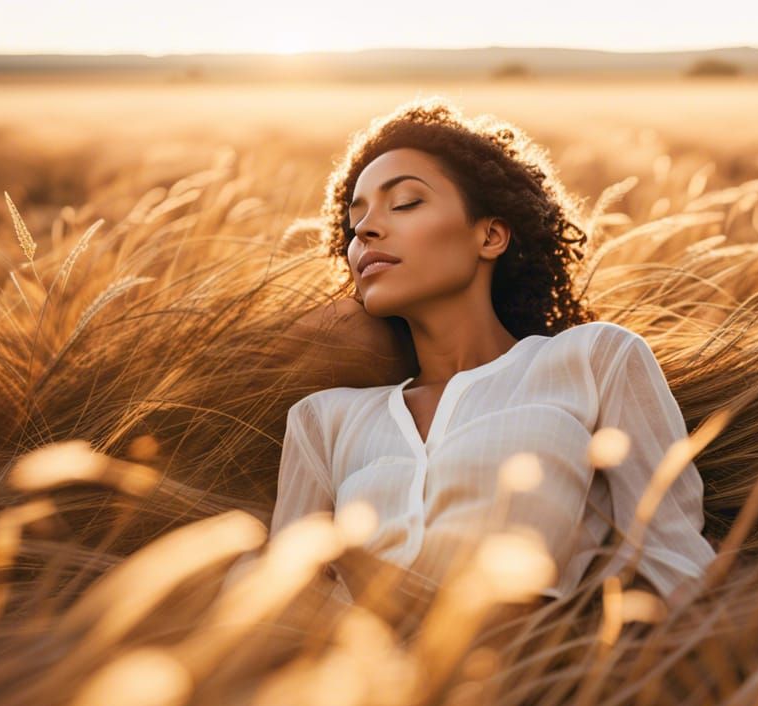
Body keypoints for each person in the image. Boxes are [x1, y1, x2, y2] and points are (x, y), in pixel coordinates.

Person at [268, 97, 716, 613]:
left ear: (490, 235)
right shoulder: (323, 419)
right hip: (356, 682)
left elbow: (673, 561)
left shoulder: (594, 359)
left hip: (534, 675)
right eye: (355, 219)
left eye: (406, 202)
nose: (365, 230)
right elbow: (282, 606)